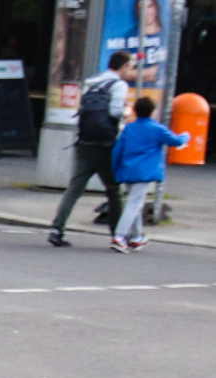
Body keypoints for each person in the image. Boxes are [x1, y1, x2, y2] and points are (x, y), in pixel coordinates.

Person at [48, 51, 134, 246]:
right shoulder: (119, 85)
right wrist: (127, 111)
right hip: (106, 143)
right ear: (124, 66)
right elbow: (115, 111)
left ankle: (57, 228)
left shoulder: (93, 81)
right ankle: (117, 234)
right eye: (130, 66)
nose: (131, 70)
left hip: (85, 140)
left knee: (75, 187)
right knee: (113, 189)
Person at [110, 92, 188, 251]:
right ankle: (119, 236)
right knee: (134, 204)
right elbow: (176, 141)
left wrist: (115, 170)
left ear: (135, 111)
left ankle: (136, 237)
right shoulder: (156, 128)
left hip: (127, 170)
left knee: (135, 203)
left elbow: (117, 151)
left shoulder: (129, 128)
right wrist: (186, 135)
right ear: (152, 111)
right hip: (144, 173)